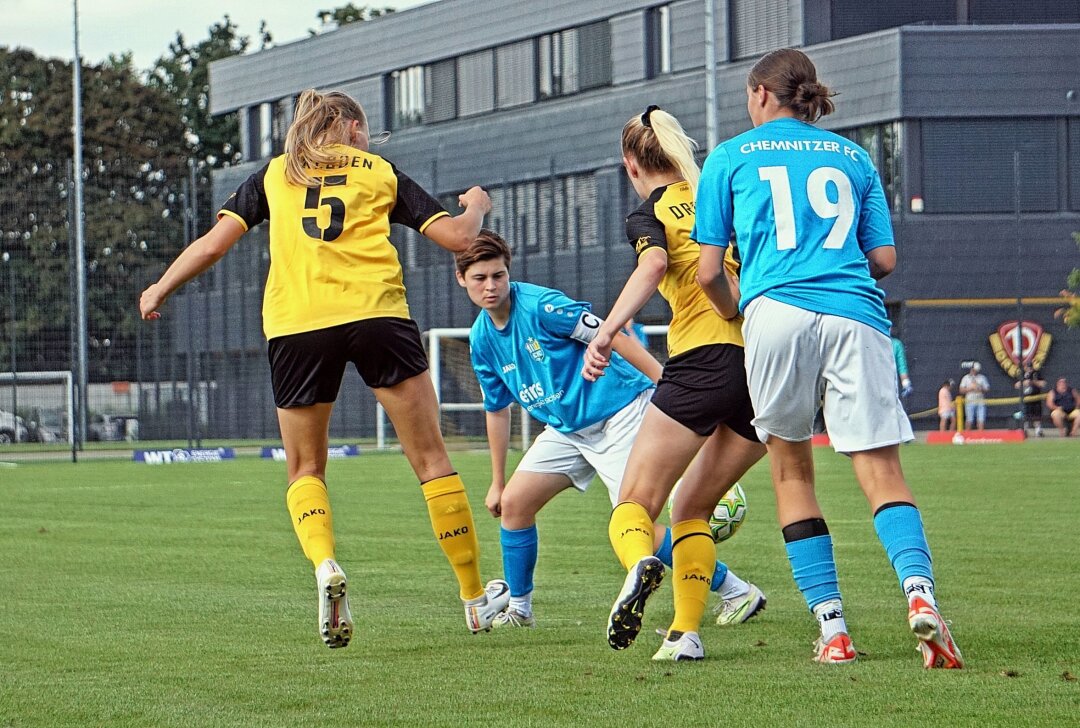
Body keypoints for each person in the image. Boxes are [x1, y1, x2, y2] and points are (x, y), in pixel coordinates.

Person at [138, 89, 509, 649]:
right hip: (378, 316)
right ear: (354, 127)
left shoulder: (275, 174)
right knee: (432, 461)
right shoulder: (378, 170)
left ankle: (325, 566)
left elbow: (215, 246)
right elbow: (459, 237)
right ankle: (476, 601)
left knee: (305, 468)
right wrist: (477, 204)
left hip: (297, 325)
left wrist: (160, 286)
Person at [690, 49, 963, 668]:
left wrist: (739, 310)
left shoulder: (730, 157)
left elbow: (708, 271)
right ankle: (920, 597)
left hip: (774, 315)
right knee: (882, 472)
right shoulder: (854, 157)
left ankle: (834, 629)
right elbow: (885, 260)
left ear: (761, 94)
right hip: (856, 314)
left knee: (791, 471)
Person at [457, 231, 756, 629]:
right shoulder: (480, 339)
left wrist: (666, 385)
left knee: (636, 524)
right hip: (567, 430)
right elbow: (497, 410)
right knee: (514, 505)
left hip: (620, 415)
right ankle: (520, 610)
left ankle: (737, 590)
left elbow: (609, 337)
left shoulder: (543, 306)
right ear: (462, 279)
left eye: (498, 275)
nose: (491, 286)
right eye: (480, 278)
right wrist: (497, 481)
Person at [583, 106, 767, 662]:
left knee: (636, 501)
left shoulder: (651, 212)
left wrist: (607, 332)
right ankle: (684, 633)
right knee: (692, 507)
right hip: (763, 363)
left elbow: (654, 265)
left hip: (704, 358)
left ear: (630, 163)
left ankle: (641, 561)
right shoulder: (719, 197)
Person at [1014, 364, 1046, 436]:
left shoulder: (1036, 373)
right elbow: (1016, 385)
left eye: (1030, 367)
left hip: (1035, 397)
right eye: (1028, 367)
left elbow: (1043, 384)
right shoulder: (1022, 374)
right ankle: (1024, 430)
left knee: (1037, 415)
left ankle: (1038, 430)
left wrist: (1033, 382)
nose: (1029, 369)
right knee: (1025, 415)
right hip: (1026, 398)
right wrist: (1023, 383)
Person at [959, 363, 990, 431]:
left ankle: (981, 438)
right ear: (971, 369)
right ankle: (967, 437)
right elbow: (961, 390)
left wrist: (980, 389)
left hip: (980, 401)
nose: (974, 371)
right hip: (970, 401)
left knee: (981, 420)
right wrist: (970, 389)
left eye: (976, 370)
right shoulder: (966, 378)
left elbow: (987, 388)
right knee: (969, 420)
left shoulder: (982, 377)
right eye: (974, 370)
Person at [892, 329, 913, 404]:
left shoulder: (896, 344)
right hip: (890, 385)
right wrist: (906, 384)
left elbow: (902, 367)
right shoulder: (896, 344)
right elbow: (902, 367)